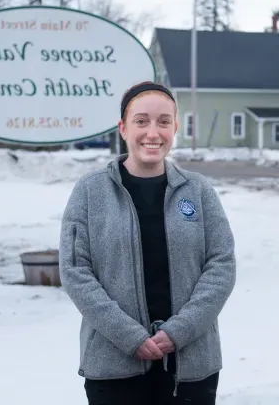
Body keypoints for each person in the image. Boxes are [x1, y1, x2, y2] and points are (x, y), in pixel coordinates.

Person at [59, 81, 237, 405]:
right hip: (113, 370)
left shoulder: (198, 191)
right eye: (141, 121)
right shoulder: (89, 192)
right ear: (123, 128)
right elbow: (75, 272)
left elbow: (221, 265)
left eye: (163, 122)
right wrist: (131, 337)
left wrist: (177, 332)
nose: (152, 133)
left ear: (175, 128)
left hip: (191, 369)